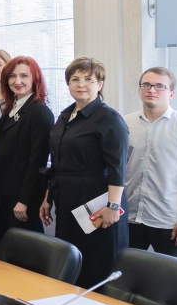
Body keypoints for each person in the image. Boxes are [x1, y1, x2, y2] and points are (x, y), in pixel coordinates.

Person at [41, 57, 129, 288]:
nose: (81, 84)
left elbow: (117, 167)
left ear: (100, 84)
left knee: (96, 264)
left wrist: (112, 207)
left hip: (97, 201)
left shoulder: (109, 118)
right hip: (67, 198)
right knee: (70, 260)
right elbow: (58, 162)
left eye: (89, 79)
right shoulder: (65, 115)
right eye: (75, 79)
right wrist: (48, 197)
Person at [125, 67, 177, 260]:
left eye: (160, 86)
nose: (152, 90)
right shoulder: (125, 124)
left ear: (171, 93)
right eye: (146, 85)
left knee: (175, 276)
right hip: (129, 217)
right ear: (139, 90)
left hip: (169, 221)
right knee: (126, 272)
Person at [0, 56, 54, 245]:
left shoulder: (39, 111)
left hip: (22, 198)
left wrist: (24, 201)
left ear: (35, 79)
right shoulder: (12, 108)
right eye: (12, 76)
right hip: (5, 193)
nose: (17, 81)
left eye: (24, 76)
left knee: (25, 250)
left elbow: (37, 161)